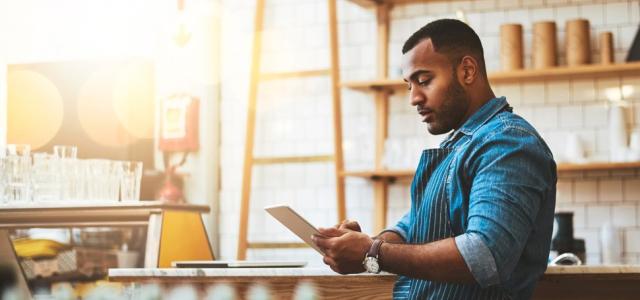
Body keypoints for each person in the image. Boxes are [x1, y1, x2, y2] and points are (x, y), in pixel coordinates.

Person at [312, 19, 557, 299]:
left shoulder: (508, 142)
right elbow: (411, 227)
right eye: (409, 86)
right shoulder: (461, 144)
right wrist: (365, 243)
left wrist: (372, 252)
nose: (414, 98)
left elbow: (485, 255)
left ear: (467, 70)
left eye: (424, 81)